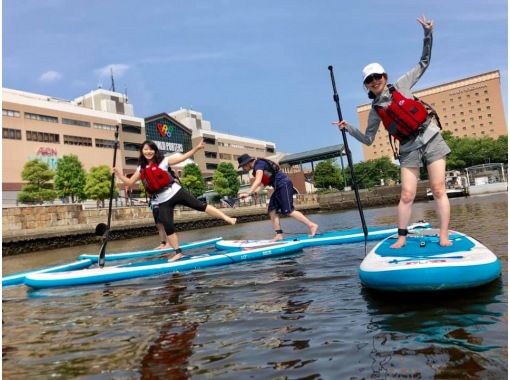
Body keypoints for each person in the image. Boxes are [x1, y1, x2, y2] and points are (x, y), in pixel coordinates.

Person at [332, 15, 452, 248]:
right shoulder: (375, 110)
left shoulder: (401, 86)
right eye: (369, 79)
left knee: (438, 188)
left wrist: (428, 34)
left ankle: (444, 234)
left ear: (384, 77)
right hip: (408, 148)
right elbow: (367, 140)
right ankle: (401, 237)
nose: (374, 81)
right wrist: (348, 128)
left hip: (430, 137)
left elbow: (424, 62)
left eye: (377, 76)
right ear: (366, 85)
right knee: (407, 195)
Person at [114, 139, 237, 261]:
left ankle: (227, 218)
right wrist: (119, 175)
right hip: (162, 200)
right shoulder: (141, 168)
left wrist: (197, 148)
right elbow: (130, 182)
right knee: (168, 227)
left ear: (155, 150)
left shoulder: (163, 161)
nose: (148, 152)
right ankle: (178, 252)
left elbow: (182, 158)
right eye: (145, 149)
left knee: (200, 206)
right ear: (142, 151)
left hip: (176, 192)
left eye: (151, 149)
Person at [237, 154, 318, 240]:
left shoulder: (259, 164)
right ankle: (279, 234)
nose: (243, 169)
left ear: (247, 163)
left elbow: (257, 180)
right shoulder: (258, 168)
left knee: (288, 210)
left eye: (243, 166)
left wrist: (248, 192)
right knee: (272, 210)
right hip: (278, 187)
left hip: (284, 184)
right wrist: (256, 192)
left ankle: (312, 225)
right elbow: (264, 182)